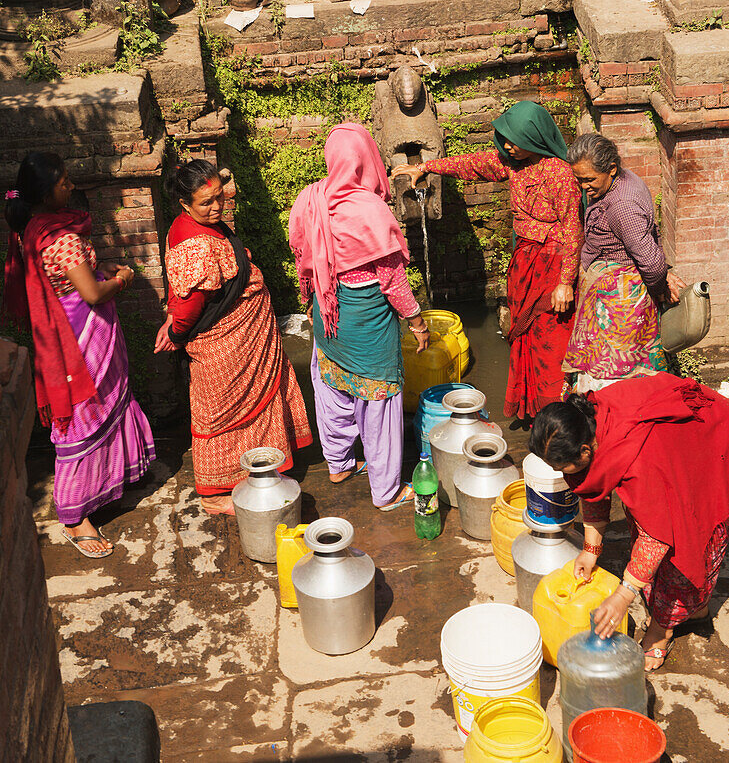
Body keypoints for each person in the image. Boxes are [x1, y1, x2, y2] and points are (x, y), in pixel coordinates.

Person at [3, 153, 155, 559]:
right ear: (44, 191)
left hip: (64, 331)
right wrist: (121, 279)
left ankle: (109, 482)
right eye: (64, 182)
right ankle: (73, 516)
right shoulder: (63, 238)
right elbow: (90, 293)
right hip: (80, 338)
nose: (70, 187)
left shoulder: (30, 229)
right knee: (85, 414)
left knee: (106, 403)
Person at [395, 101, 582, 425]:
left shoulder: (559, 173)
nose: (508, 146)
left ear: (535, 137)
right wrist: (427, 168)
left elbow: (572, 229)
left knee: (551, 343)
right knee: (525, 338)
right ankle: (533, 407)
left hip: (552, 267)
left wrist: (565, 282)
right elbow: (472, 165)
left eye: (515, 139)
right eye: (506, 139)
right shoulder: (512, 164)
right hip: (524, 264)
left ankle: (558, 415)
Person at [529, 377, 729, 670]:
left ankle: (661, 631)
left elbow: (655, 537)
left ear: (586, 451)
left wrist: (623, 596)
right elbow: (594, 483)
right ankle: (691, 607)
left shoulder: (639, 464)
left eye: (560, 467)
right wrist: (591, 548)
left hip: (709, 442)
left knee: (684, 541)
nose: (559, 473)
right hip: (671, 448)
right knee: (651, 536)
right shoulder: (587, 420)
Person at [155, 160, 311, 515]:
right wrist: (176, 332)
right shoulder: (194, 243)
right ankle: (213, 495)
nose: (216, 207)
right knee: (222, 413)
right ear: (184, 204)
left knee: (254, 406)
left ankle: (258, 467)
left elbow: (180, 290)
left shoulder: (193, 226)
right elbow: (189, 301)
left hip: (248, 338)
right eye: (205, 203)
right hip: (226, 344)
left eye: (218, 198)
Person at [289, 123, 430, 511]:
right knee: (380, 403)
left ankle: (338, 464)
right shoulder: (369, 209)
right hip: (368, 327)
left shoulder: (310, 199)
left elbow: (303, 262)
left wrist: (310, 303)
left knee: (332, 390)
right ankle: (386, 491)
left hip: (328, 315)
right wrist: (417, 322)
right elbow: (394, 283)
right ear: (367, 159)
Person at [564, 133, 684, 391]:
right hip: (616, 293)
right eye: (579, 179)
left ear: (611, 169)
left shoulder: (622, 206)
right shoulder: (623, 181)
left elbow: (650, 262)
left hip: (620, 302)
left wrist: (658, 290)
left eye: (589, 179)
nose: (583, 187)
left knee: (615, 372)